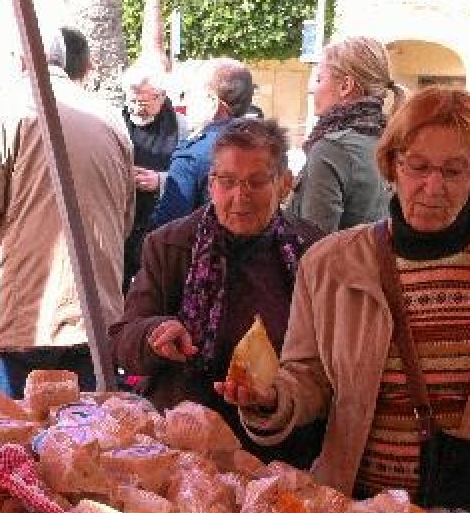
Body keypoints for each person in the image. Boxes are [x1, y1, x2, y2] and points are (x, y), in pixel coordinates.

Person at [222, 86, 470, 510]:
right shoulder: (330, 265)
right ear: (393, 164)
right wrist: (273, 399)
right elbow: (309, 376)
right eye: (418, 166)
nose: (432, 187)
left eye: (453, 171)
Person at [111, 119, 325, 466]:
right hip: (185, 443)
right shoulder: (170, 244)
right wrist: (155, 334)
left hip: (277, 449)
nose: (239, 197)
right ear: (211, 184)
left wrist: (275, 397)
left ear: (284, 185)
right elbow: (121, 341)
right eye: (227, 182)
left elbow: (324, 363)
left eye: (256, 183)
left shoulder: (312, 252)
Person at [0, 26, 134, 394]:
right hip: (94, 319)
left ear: (15, 61)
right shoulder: (109, 117)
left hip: (16, 324)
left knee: (4, 445)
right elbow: (124, 218)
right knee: (88, 443)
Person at [287, 36, 403, 233]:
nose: (311, 89)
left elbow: (314, 245)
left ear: (345, 86)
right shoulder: (393, 140)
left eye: (319, 79)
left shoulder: (331, 149)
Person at [150, 58, 254, 228]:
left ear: (212, 102)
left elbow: (168, 227)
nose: (184, 103)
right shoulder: (264, 146)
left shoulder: (193, 155)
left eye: (189, 94)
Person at [122, 65, 186, 288]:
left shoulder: (181, 126)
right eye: (132, 101)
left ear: (162, 97)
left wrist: (160, 181)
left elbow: (190, 173)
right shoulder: (116, 120)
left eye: (144, 103)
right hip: (123, 219)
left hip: (161, 219)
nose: (136, 109)